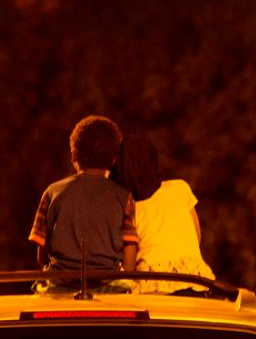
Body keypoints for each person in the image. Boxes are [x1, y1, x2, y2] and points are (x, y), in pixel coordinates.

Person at [28, 115, 139, 274]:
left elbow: (42, 257)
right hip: (108, 286)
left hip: (59, 284)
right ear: (114, 159)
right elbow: (129, 264)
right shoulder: (124, 197)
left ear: (73, 155)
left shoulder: (52, 192)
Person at [111, 135, 215, 294]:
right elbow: (197, 236)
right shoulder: (180, 188)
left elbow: (129, 267)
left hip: (154, 286)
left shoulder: (130, 208)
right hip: (195, 280)